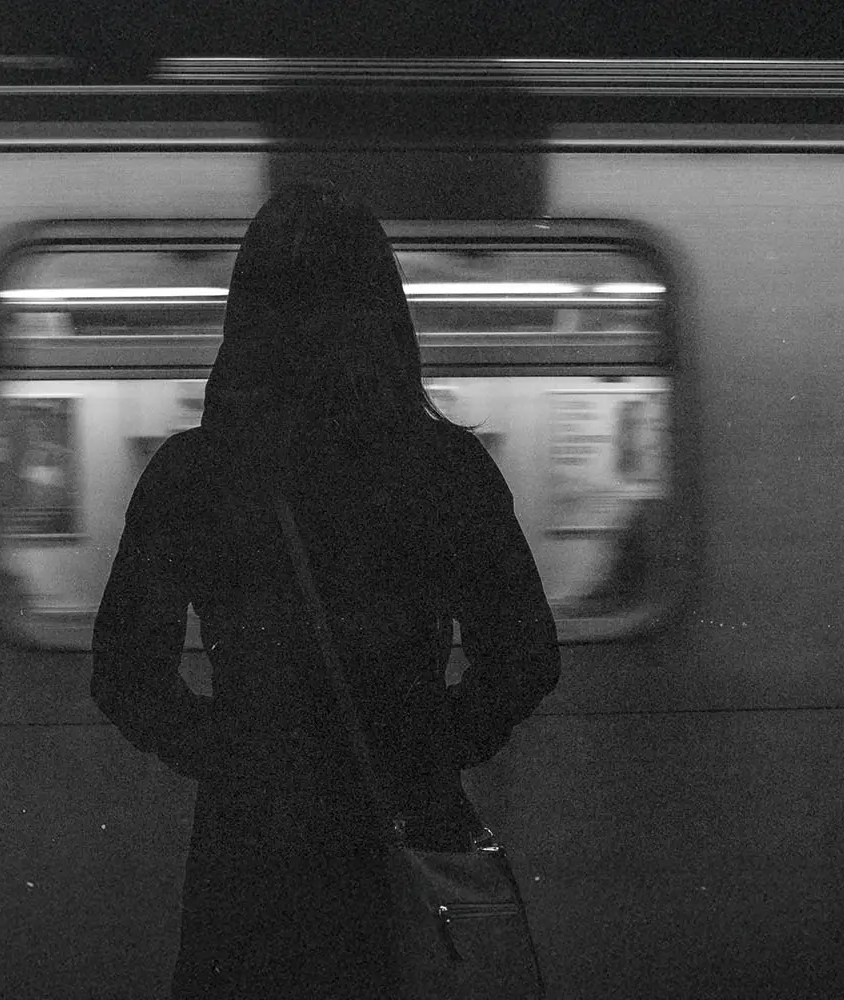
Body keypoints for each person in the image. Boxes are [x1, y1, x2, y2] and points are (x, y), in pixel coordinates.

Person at [91, 181, 560, 999]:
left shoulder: (194, 475)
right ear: (385, 316)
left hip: (253, 854)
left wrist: (234, 752)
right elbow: (526, 658)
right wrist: (426, 743)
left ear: (246, 316)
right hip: (404, 831)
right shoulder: (446, 470)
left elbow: (125, 674)